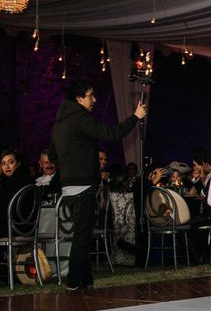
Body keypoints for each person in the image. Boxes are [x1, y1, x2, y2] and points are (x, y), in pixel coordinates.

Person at [50, 80, 146, 290]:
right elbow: (111, 133)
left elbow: (51, 154)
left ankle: (86, 281)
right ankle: (74, 282)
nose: (94, 99)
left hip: (68, 186)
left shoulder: (60, 122)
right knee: (82, 237)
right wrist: (135, 117)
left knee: (82, 234)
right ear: (79, 98)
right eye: (91, 95)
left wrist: (70, 160)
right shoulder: (80, 118)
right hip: (82, 184)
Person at [0, 149, 32, 238]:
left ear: (18, 164)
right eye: (3, 163)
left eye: (11, 162)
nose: (7, 166)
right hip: (27, 228)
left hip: (14, 228)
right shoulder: (26, 179)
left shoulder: (13, 183)